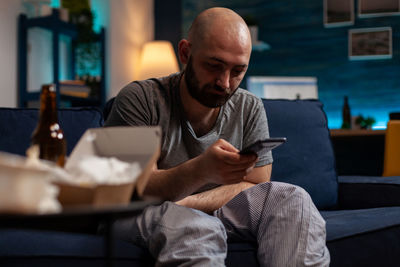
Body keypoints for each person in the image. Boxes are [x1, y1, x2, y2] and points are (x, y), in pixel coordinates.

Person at [105, 7, 330, 267]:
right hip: (141, 213)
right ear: (185, 53)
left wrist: (191, 202)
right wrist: (201, 170)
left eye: (237, 72)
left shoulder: (249, 107)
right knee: (194, 227)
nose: (224, 83)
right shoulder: (140, 99)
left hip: (208, 208)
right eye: (214, 66)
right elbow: (136, 189)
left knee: (293, 200)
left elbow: (257, 183)